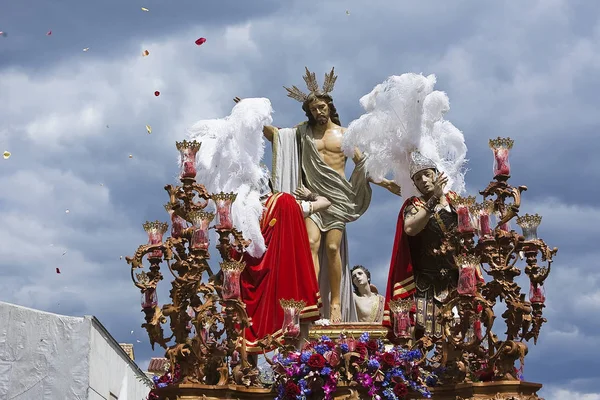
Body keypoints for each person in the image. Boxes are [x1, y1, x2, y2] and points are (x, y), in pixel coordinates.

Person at [235, 67, 400, 323]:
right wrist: (251, 117)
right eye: (313, 110)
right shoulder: (303, 134)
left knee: (333, 248)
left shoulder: (345, 135)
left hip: (337, 197)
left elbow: (363, 164)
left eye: (321, 107)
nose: (318, 112)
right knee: (311, 244)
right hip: (310, 197)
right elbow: (277, 136)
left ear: (329, 107)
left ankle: (335, 302)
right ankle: (314, 298)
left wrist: (386, 182)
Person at [383, 152, 483, 338]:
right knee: (425, 337)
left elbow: (475, 227)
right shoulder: (414, 204)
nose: (423, 180)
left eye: (427, 174)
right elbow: (410, 228)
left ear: (437, 175)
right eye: (418, 178)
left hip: (458, 282)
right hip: (426, 285)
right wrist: (433, 200)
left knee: (464, 337)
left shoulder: (455, 201)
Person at [239, 176, 331, 353]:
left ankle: (249, 372)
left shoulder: (244, 214)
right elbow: (325, 202)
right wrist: (310, 195)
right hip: (286, 275)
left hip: (253, 283)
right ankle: (297, 364)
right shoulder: (287, 202)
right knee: (297, 321)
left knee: (246, 328)